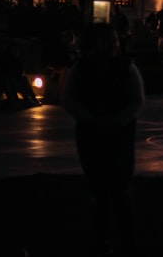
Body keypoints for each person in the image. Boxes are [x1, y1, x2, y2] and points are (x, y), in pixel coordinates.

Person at [62, 21, 146, 256]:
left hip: (111, 132)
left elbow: (136, 99)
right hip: (99, 132)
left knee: (118, 191)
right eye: (108, 40)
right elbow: (69, 99)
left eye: (114, 40)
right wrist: (97, 120)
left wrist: (114, 120)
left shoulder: (122, 67)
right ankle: (106, 242)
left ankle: (120, 242)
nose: (112, 44)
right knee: (101, 191)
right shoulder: (85, 67)